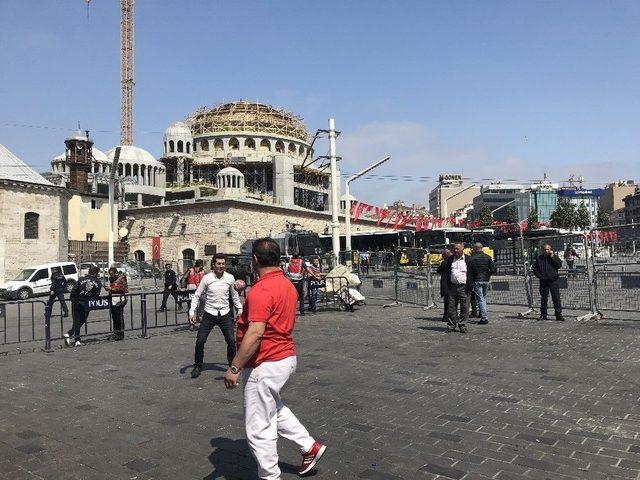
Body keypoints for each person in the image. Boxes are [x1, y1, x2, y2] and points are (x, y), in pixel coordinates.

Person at [223, 238, 327, 479]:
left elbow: (256, 333)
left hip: (265, 362)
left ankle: (270, 475)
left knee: (259, 427)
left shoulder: (262, 290)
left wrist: (235, 367)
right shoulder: (287, 285)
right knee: (273, 408)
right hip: (285, 357)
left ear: (255, 260)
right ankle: (308, 446)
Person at [190, 254, 243, 379]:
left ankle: (232, 366)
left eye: (223, 264)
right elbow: (197, 295)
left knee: (231, 341)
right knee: (200, 340)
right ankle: (198, 365)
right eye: (218, 264)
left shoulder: (230, 278)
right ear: (214, 264)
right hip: (209, 313)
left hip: (225, 314)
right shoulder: (207, 278)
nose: (221, 266)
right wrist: (192, 312)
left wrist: (239, 310)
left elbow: (235, 296)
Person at [65, 265, 102, 347]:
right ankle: (74, 337)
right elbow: (96, 295)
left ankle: (73, 336)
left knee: (77, 320)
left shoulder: (81, 279)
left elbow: (74, 290)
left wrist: (72, 299)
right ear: (96, 273)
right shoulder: (98, 282)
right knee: (82, 320)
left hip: (76, 301)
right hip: (87, 303)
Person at [442, 243, 472, 333]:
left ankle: (462, 325)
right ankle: (451, 325)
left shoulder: (468, 259)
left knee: (464, 308)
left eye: (457, 249)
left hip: (464, 287)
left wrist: (470, 285)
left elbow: (472, 273)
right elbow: (447, 273)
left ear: (462, 249)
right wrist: (447, 286)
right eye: (454, 249)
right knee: (451, 308)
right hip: (452, 287)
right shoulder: (450, 259)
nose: (455, 251)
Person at [532, 244, 565, 321]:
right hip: (543, 281)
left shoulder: (554, 257)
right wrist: (540, 276)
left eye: (548, 249)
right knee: (544, 298)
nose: (546, 251)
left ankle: (558, 314)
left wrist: (553, 257)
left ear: (550, 250)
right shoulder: (539, 258)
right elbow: (535, 269)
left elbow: (559, 265)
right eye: (545, 249)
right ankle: (543, 314)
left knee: (556, 298)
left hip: (553, 280)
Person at [468, 243, 497, 325]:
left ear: (475, 248)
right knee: (483, 298)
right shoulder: (488, 257)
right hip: (486, 280)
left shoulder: (472, 258)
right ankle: (482, 313)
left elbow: (470, 272)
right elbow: (493, 269)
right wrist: (488, 274)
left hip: (477, 280)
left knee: (480, 299)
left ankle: (484, 317)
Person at [104, 267, 128, 341]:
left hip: (120, 300)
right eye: (110, 275)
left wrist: (111, 289)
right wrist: (108, 288)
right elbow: (112, 286)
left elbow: (123, 288)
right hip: (113, 299)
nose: (111, 276)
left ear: (115, 273)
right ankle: (116, 332)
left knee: (119, 317)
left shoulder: (122, 278)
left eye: (112, 274)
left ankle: (120, 334)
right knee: (114, 317)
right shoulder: (111, 279)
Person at [181, 259, 206, 328]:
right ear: (200, 265)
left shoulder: (203, 271)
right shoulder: (190, 270)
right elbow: (183, 278)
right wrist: (183, 286)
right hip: (191, 290)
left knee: (203, 301)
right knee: (191, 307)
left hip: (200, 290)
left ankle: (199, 315)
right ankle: (191, 323)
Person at [436, 249, 452, 321]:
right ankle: (448, 316)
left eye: (443, 255)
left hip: (446, 284)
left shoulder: (445, 262)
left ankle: (447, 316)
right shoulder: (452, 261)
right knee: (449, 301)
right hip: (450, 284)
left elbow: (438, 270)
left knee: (447, 301)